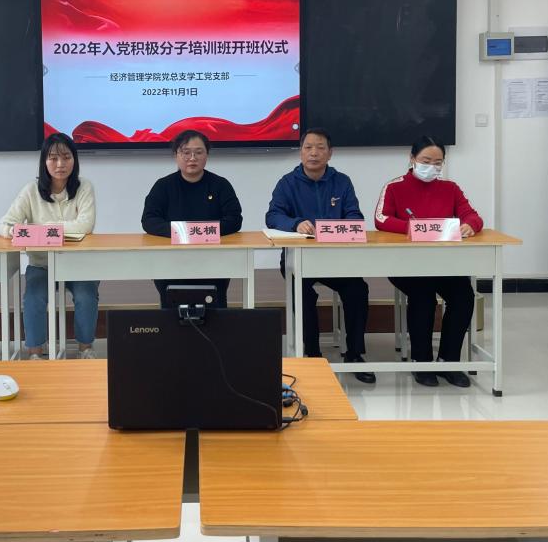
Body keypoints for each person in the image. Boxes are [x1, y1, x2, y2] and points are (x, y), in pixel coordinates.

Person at [266, 128, 374, 384]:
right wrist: (295, 223)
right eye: (308, 147)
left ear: (330, 153)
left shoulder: (342, 182)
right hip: (298, 258)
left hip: (335, 258)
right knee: (303, 294)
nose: (313, 153)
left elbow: (355, 216)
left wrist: (339, 227)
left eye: (320, 147)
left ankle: (355, 354)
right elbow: (273, 216)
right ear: (301, 152)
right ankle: (312, 353)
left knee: (357, 290)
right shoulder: (287, 183)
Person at [374, 135, 483, 388]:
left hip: (443, 263)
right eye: (425, 161)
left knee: (464, 296)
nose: (431, 167)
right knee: (423, 296)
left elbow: (472, 215)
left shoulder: (450, 188)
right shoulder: (395, 187)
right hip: (404, 263)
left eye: (438, 163)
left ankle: (448, 361)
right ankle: (421, 362)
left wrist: (470, 225)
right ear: (412, 158)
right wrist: (414, 228)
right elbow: (381, 219)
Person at [0, 133, 100, 360]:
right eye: (53, 158)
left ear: (75, 160)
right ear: (44, 161)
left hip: (77, 263)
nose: (60, 164)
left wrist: (44, 229)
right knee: (33, 298)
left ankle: (85, 348)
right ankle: (35, 353)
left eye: (66, 157)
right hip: (42, 264)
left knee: (86, 296)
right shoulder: (31, 190)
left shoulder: (84, 187)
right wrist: (15, 231)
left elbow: (86, 225)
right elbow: (4, 223)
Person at [141, 129, 243, 308]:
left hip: (213, 260)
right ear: (176, 155)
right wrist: (182, 232)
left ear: (207, 155)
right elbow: (149, 220)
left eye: (198, 152)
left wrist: (202, 233)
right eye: (186, 152)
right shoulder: (163, 186)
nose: (192, 158)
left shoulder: (220, 185)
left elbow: (234, 219)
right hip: (171, 260)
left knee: (216, 312)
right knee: (172, 313)